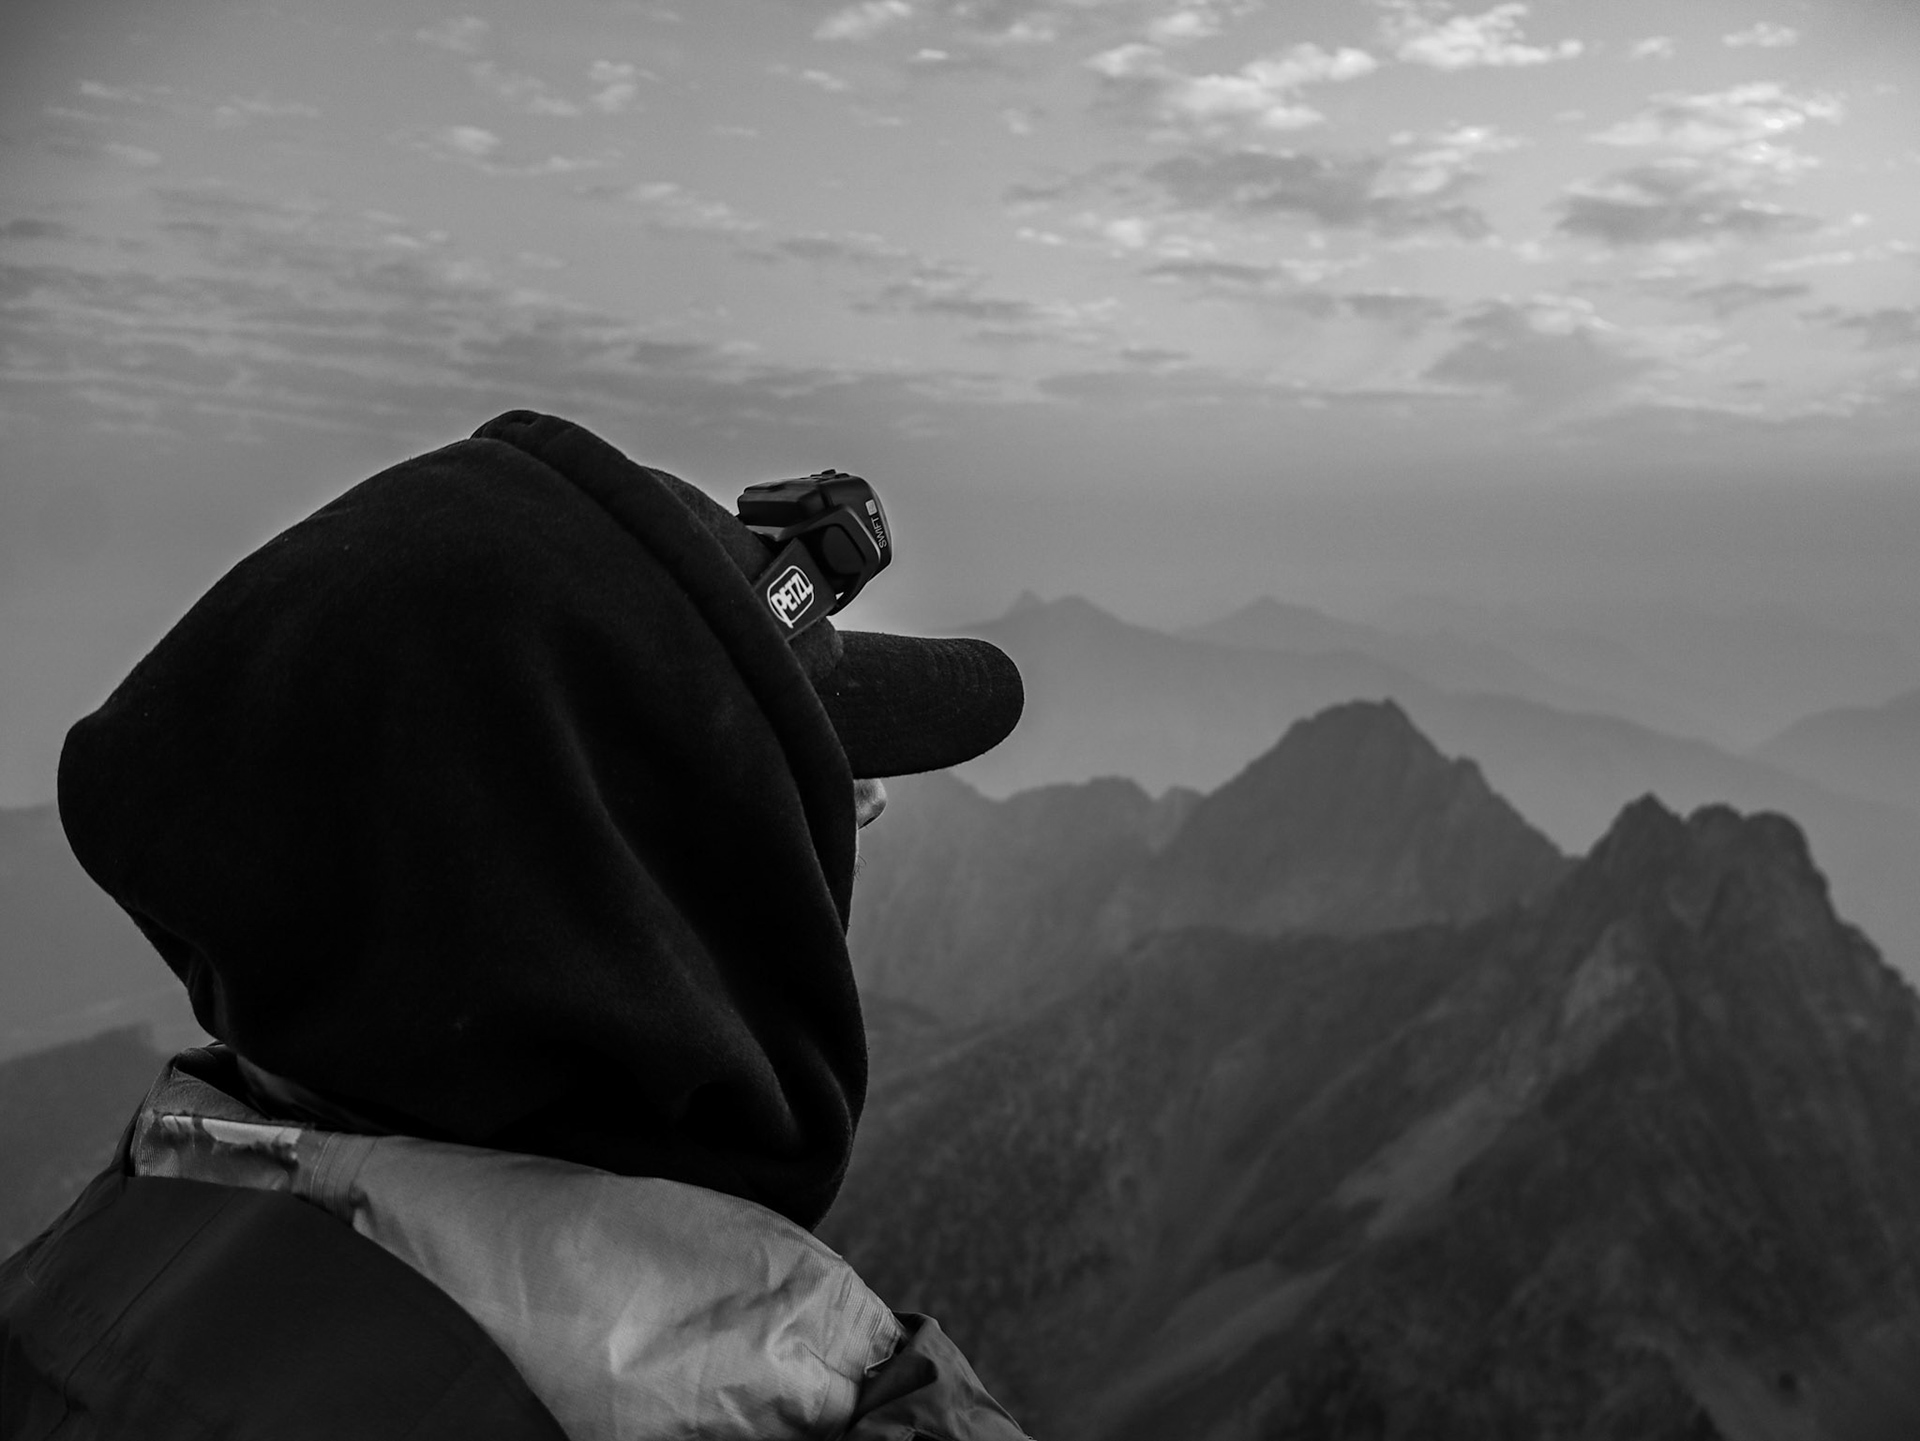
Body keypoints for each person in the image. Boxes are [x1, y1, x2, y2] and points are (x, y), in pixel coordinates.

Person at [0, 410, 1031, 1440]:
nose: (867, 803)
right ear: (622, 896)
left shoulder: (61, 1321)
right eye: (801, 782)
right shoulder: (845, 1411)